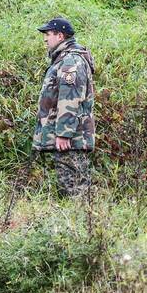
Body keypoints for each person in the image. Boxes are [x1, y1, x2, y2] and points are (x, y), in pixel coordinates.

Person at [33, 17, 96, 198]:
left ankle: (78, 223)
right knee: (72, 187)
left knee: (73, 189)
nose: (45, 39)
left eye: (48, 34)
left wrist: (63, 133)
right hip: (70, 137)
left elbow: (70, 99)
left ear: (60, 36)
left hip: (71, 138)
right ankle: (78, 222)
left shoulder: (71, 62)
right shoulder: (64, 59)